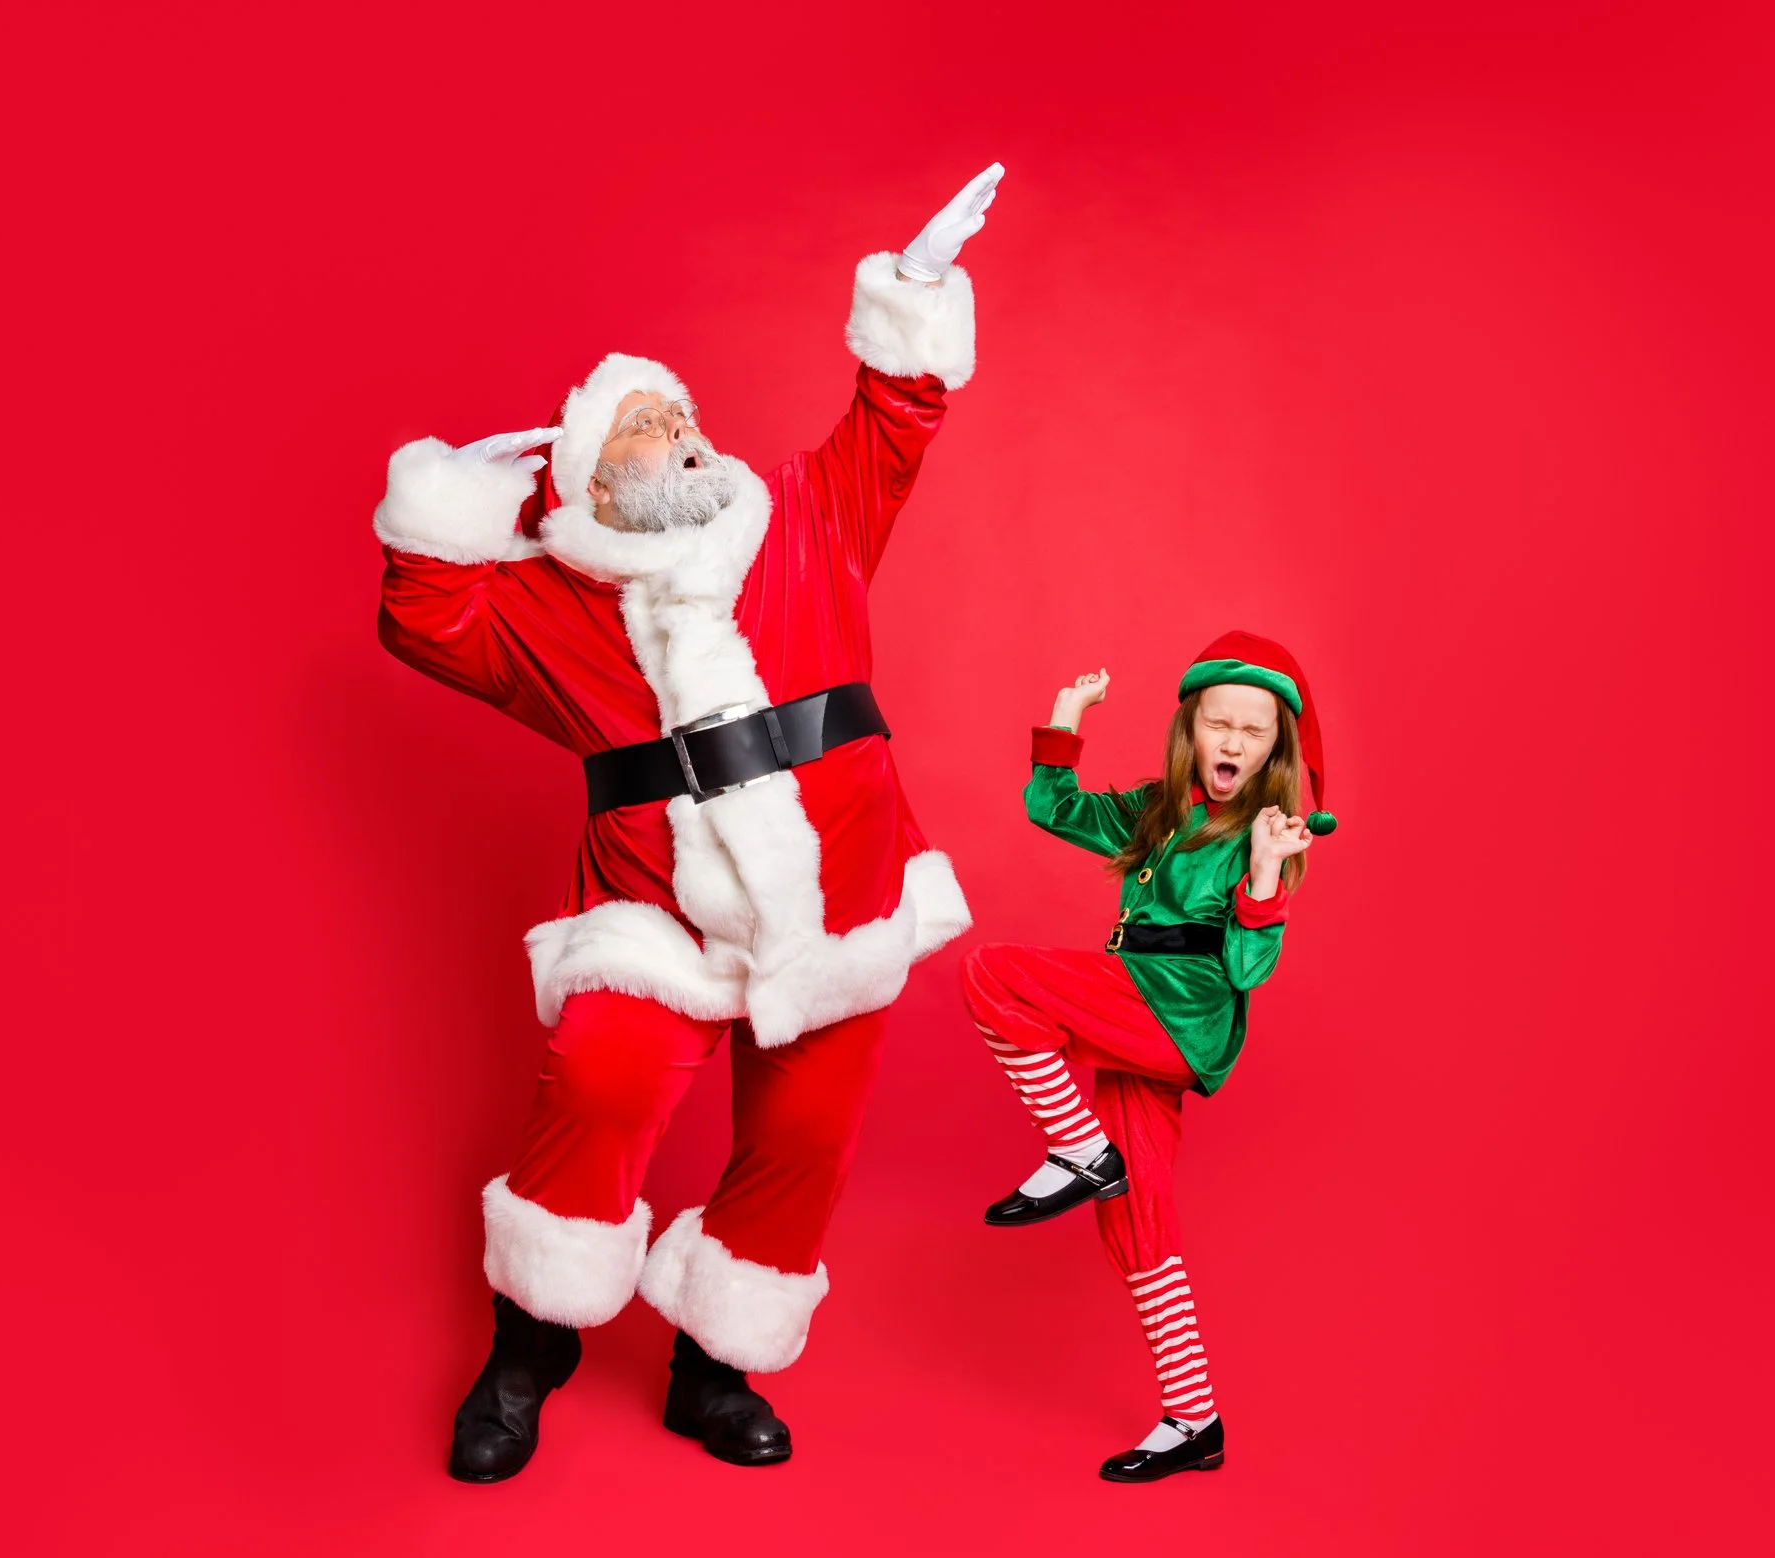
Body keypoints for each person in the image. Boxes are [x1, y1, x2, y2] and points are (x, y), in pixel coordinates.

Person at [370, 164, 1006, 1480]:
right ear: (591, 481)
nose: (680, 427)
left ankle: (715, 1368)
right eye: (642, 423)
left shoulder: (802, 520)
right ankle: (529, 1347)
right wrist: (453, 506)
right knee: (598, 1083)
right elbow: (423, 619)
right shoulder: (552, 607)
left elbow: (892, 421)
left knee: (806, 1140)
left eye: (680, 410)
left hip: (842, 907)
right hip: (654, 920)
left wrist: (919, 295)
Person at [959, 633, 1335, 1482]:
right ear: (1190, 730)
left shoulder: (1263, 834)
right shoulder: (1158, 810)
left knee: (994, 976)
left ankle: (1079, 1150)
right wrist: (1064, 718)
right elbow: (1050, 809)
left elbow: (1246, 970)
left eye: (1254, 731)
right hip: (1133, 1015)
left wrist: (1269, 874)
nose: (1234, 743)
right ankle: (1194, 1420)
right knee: (1136, 1219)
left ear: (1274, 750)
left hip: (1177, 1011)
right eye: (1218, 723)